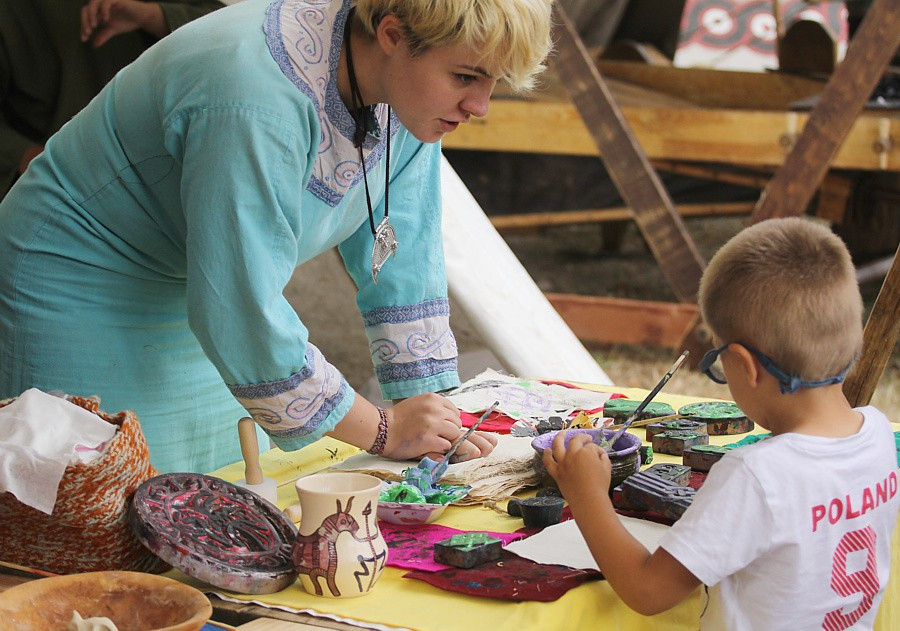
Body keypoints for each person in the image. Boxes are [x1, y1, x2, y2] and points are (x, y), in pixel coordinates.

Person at [0, 0, 553, 473]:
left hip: (194, 283)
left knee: (224, 494)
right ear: (391, 35)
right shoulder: (253, 94)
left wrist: (432, 415)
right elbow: (238, 307)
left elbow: (401, 251)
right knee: (100, 506)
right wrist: (384, 430)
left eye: (494, 82)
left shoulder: (404, 86)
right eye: (466, 77)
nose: (480, 106)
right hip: (73, 281)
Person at [544, 217, 899, 629]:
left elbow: (647, 591)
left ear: (746, 367)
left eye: (717, 361)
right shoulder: (878, 434)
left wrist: (587, 495)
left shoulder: (756, 476)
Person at [1, 0, 226, 197]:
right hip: (55, 192)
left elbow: (228, 32)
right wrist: (32, 158)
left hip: (171, 178)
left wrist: (152, 16)